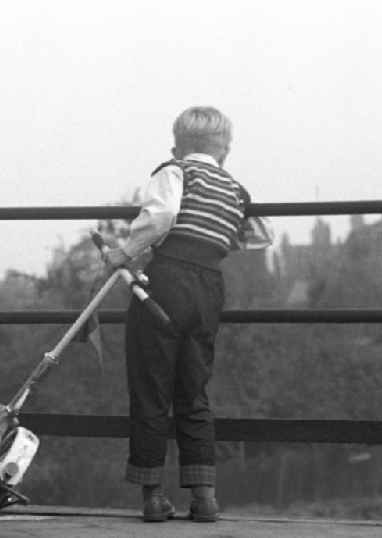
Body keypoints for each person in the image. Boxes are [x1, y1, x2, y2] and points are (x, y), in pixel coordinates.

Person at [104, 107, 272, 523]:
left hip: (167, 281)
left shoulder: (175, 170)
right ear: (224, 149)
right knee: (193, 390)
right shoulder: (234, 187)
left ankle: (153, 496)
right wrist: (214, 236)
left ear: (179, 143)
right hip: (209, 287)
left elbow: (161, 215)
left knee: (151, 386)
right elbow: (261, 235)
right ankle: (204, 497)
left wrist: (122, 253)